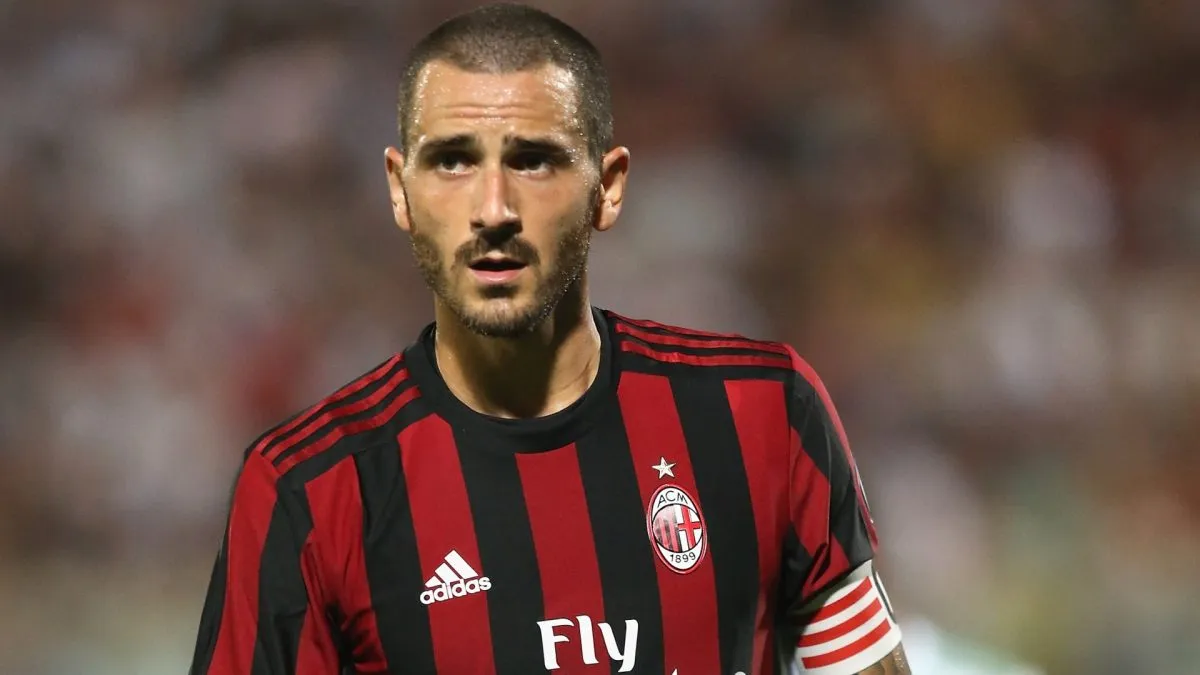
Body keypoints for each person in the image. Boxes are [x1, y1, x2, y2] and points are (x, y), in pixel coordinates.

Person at [187, 3, 910, 674]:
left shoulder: (763, 415)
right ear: (400, 189)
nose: (493, 208)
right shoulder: (311, 489)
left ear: (609, 185)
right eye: (453, 160)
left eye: (534, 159)